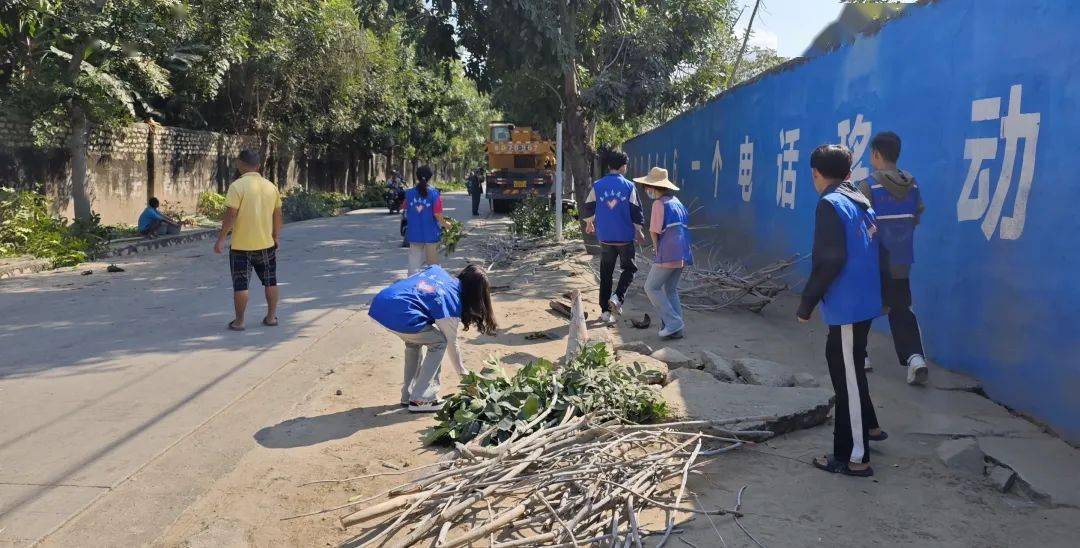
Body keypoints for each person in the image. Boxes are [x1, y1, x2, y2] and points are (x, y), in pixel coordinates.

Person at [797, 144, 885, 478]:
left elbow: (830, 259)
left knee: (846, 374)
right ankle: (870, 428)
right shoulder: (859, 201)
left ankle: (854, 457)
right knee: (849, 365)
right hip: (864, 299)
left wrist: (807, 302)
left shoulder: (830, 204)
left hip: (849, 304)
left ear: (815, 173)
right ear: (848, 172)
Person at [368, 264, 497, 412]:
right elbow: (451, 344)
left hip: (380, 304)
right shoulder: (450, 304)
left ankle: (408, 395)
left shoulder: (437, 271)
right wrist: (464, 375)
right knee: (439, 342)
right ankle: (422, 398)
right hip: (401, 314)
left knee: (414, 342)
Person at [858, 131, 929, 386]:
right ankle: (915, 359)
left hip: (874, 261)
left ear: (876, 154)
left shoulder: (868, 186)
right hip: (901, 260)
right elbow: (915, 218)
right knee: (901, 309)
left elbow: (860, 224)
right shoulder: (913, 186)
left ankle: (860, 355)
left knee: (863, 305)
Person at [214, 149, 283, 331]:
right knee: (271, 281)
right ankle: (271, 318)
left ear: (239, 164)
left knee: (241, 285)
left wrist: (221, 239)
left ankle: (239, 322)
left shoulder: (237, 186)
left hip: (241, 247)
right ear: (258, 166)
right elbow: (277, 215)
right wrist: (276, 236)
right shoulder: (271, 187)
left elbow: (231, 215)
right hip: (266, 245)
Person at [582, 149, 645, 326]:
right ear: (623, 166)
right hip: (624, 237)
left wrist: (589, 223)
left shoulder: (598, 185)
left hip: (605, 237)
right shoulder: (629, 186)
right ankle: (617, 297)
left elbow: (589, 205)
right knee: (629, 269)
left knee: (606, 273)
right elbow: (636, 210)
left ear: (609, 166)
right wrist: (639, 230)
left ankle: (605, 311)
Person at [635, 167, 693, 339]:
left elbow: (654, 231)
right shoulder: (677, 202)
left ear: (653, 187)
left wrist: (656, 250)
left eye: (647, 187)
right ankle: (677, 330)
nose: (646, 190)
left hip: (668, 251)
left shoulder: (658, 204)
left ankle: (673, 323)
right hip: (683, 251)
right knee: (671, 289)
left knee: (651, 287)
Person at [403, 165, 450, 275]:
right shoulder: (434, 194)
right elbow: (437, 215)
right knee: (432, 266)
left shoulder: (409, 193)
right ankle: (432, 283)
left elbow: (405, 208)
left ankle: (412, 283)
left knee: (413, 265)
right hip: (431, 234)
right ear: (430, 177)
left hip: (414, 233)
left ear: (417, 177)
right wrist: (446, 224)